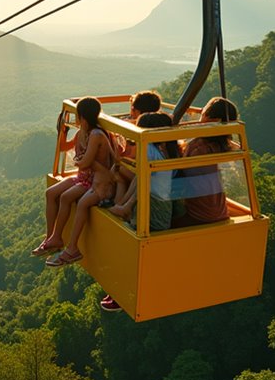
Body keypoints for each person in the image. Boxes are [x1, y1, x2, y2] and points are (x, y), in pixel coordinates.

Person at [98, 112, 180, 312]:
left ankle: (121, 293)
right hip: (157, 208)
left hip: (153, 212)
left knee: (130, 252)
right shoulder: (163, 151)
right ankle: (119, 291)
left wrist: (126, 206)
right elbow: (139, 178)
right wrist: (124, 205)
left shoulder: (150, 150)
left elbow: (145, 182)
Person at [33, 97, 114, 259]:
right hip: (82, 177)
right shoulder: (82, 133)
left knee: (65, 197)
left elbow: (85, 162)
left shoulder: (96, 135)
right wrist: (62, 130)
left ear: (81, 116)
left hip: (93, 180)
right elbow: (64, 147)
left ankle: (57, 238)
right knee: (50, 193)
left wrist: (77, 161)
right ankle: (50, 237)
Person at [170, 97, 240, 228]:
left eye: (203, 113)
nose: (200, 117)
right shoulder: (224, 146)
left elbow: (181, 177)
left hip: (198, 216)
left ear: (214, 120)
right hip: (220, 212)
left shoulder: (199, 148)